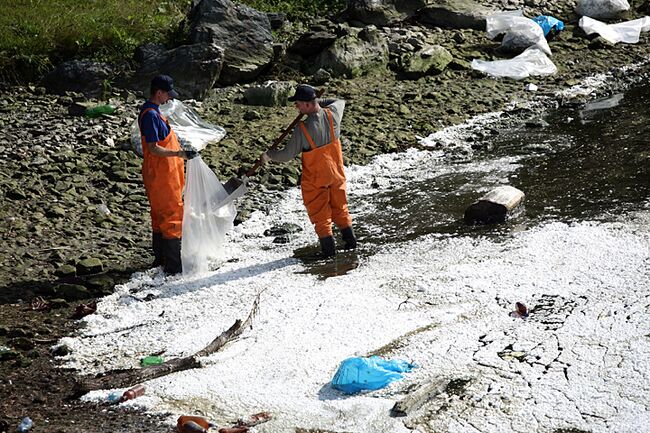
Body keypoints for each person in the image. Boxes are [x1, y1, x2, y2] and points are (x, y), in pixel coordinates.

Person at [261, 84, 357, 257]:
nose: (296, 107)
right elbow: (339, 101)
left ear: (306, 104)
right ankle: (351, 244)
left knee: (320, 215)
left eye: (297, 104)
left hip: (317, 179)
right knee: (341, 208)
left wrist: (269, 155)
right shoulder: (333, 114)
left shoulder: (302, 129)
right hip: (337, 174)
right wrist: (318, 102)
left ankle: (328, 253)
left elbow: (286, 155)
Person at [138, 74, 194, 274]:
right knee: (171, 215)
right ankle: (172, 265)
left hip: (163, 174)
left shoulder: (153, 112)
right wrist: (180, 153)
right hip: (162, 176)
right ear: (158, 92)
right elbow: (153, 148)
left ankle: (160, 260)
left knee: (159, 215)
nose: (169, 98)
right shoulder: (151, 116)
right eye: (167, 94)